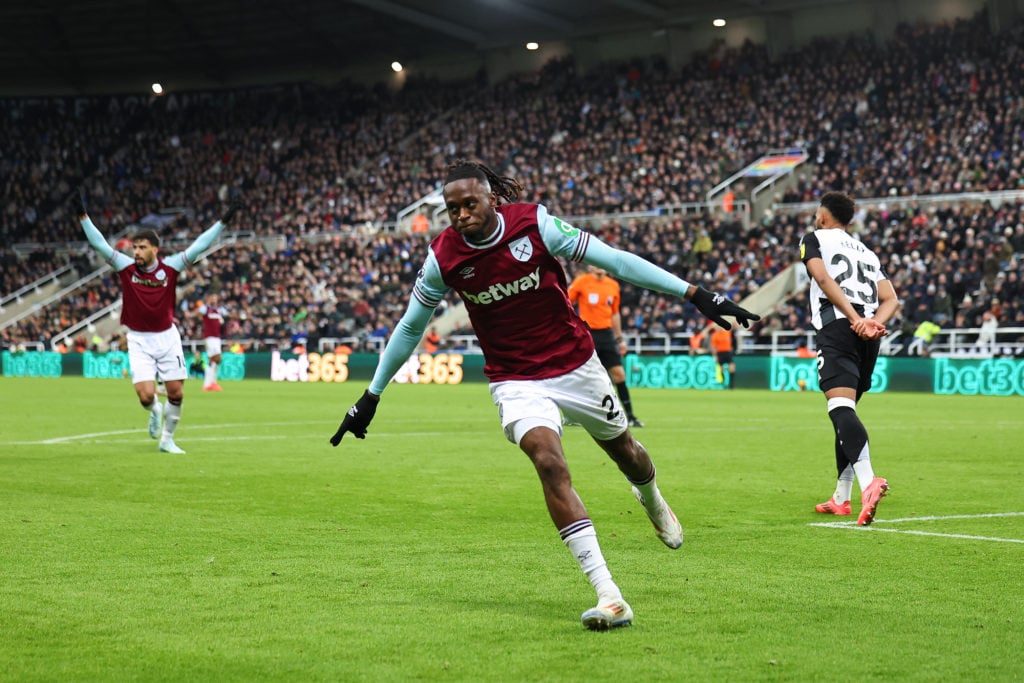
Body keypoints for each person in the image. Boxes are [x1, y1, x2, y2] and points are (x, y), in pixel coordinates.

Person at [329, 160, 759, 630]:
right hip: (514, 378)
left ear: (493, 199)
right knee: (549, 461)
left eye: (470, 204)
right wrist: (371, 395)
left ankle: (652, 497)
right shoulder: (444, 257)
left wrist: (694, 293)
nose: (461, 215)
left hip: (575, 364)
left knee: (627, 453)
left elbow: (612, 259)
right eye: (452, 209)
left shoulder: (535, 224)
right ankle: (609, 595)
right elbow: (412, 325)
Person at [72, 187, 242, 454]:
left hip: (166, 338)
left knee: (176, 393)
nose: (136, 252)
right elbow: (99, 244)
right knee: (146, 395)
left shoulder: (171, 267)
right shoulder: (125, 268)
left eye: (141, 248)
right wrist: (82, 215)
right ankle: (154, 411)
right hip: (138, 339)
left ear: (155, 249)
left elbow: (200, 244)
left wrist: (225, 219)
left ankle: (167, 440)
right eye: (135, 247)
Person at [799, 192, 900, 526]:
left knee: (840, 409)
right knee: (844, 411)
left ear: (824, 217)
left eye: (817, 213)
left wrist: (853, 317)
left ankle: (869, 482)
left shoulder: (813, 238)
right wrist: (873, 323)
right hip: (868, 339)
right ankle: (841, 496)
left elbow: (822, 278)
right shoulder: (867, 252)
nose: (815, 218)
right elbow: (891, 298)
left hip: (839, 328)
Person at [568, 266, 643, 427]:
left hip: (607, 334)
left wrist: (620, 338)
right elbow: (566, 302)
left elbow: (615, 313)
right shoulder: (582, 281)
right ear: (590, 266)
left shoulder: (613, 285)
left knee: (619, 374)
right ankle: (573, 415)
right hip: (588, 333)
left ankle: (630, 416)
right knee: (582, 375)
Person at [199, 293, 227, 391]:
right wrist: (207, 303)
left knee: (214, 361)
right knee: (216, 358)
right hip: (209, 338)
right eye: (212, 298)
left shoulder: (218, 310)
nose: (214, 300)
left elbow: (226, 313)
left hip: (217, 338)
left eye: (215, 298)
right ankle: (210, 383)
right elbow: (200, 310)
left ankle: (210, 383)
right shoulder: (206, 309)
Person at [709, 323, 736, 389]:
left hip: (728, 352)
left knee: (732, 368)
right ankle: (723, 382)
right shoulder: (715, 335)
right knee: (721, 369)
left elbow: (733, 330)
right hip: (720, 353)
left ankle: (731, 385)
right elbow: (713, 347)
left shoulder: (727, 333)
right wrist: (715, 356)